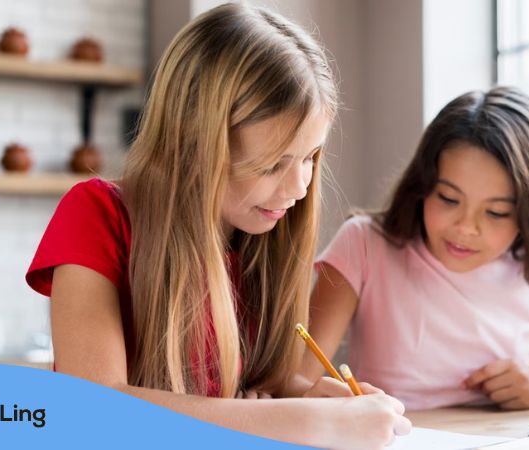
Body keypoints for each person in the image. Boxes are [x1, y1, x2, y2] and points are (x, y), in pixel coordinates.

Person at [25, 4, 410, 448]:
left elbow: (263, 382)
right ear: (193, 146)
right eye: (271, 165)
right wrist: (309, 420)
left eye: (310, 158)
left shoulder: (259, 233)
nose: (300, 188)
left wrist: (312, 398)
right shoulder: (97, 212)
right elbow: (93, 410)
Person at [299, 87, 529, 411]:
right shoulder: (365, 243)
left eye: (496, 212)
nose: (466, 228)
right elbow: (297, 375)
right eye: (448, 198)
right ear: (423, 185)